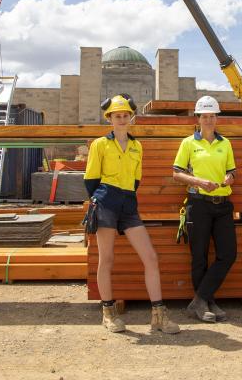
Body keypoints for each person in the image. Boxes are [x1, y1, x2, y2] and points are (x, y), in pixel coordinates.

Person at [84, 94, 180, 334]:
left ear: (131, 118)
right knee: (106, 259)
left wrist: (125, 199)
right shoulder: (99, 145)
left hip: (129, 202)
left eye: (126, 115)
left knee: (150, 257)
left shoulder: (137, 146)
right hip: (106, 200)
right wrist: (100, 201)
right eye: (118, 116)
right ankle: (108, 313)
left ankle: (158, 315)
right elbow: (90, 179)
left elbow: (136, 179)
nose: (122, 119)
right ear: (110, 119)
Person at [172, 96, 237, 323]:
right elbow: (176, 173)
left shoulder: (225, 143)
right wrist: (199, 182)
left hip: (222, 206)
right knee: (199, 257)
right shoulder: (189, 143)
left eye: (212, 116)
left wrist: (230, 178)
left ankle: (199, 301)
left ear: (216, 118)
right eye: (205, 116)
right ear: (198, 118)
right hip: (198, 204)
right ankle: (207, 303)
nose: (209, 120)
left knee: (228, 254)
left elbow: (232, 172)